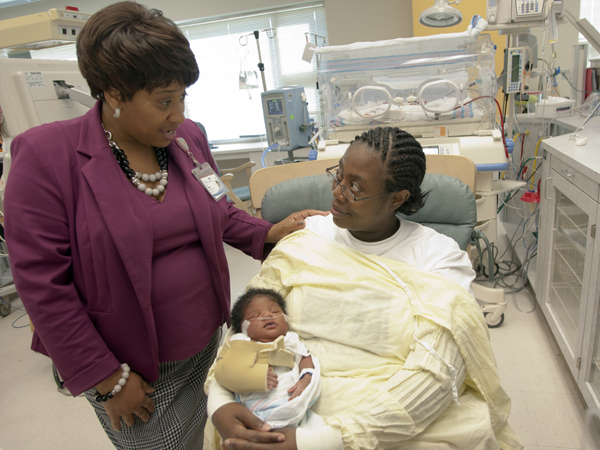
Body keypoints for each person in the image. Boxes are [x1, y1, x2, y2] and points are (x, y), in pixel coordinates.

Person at [2, 3, 325, 449]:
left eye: (182, 97)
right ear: (114, 93)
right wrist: (106, 379)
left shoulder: (187, 137)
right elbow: (41, 283)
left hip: (204, 341)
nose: (178, 114)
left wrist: (270, 231)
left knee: (205, 434)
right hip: (128, 363)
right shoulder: (46, 156)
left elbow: (218, 211)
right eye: (164, 101)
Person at [205, 127, 523, 450]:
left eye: (355, 187)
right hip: (289, 396)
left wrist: (326, 441)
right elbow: (247, 319)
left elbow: (439, 371)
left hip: (388, 417)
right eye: (338, 176)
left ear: (397, 198)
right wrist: (219, 402)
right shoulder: (309, 237)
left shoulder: (438, 258)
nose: (338, 194)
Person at [214, 288, 320, 430]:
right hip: (254, 409)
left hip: (291, 402)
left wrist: (305, 379)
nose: (267, 315)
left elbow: (305, 359)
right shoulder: (240, 341)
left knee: (314, 428)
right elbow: (225, 370)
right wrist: (255, 376)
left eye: (275, 312)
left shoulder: (290, 339)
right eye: (254, 316)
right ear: (243, 328)